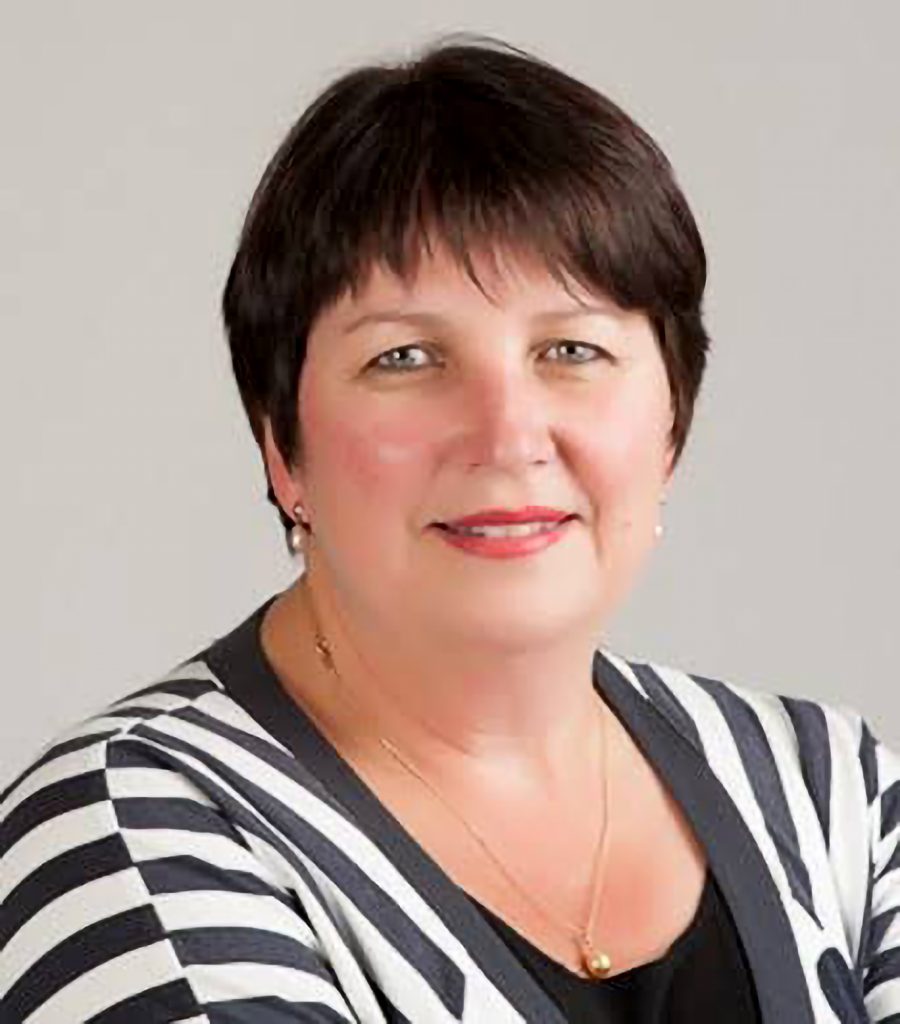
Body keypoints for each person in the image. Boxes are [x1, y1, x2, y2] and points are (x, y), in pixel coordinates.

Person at [0, 34, 897, 1024]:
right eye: (407, 358)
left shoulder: (829, 794)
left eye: (572, 348)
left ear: (672, 422)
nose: (507, 435)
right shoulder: (127, 831)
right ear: (282, 446)